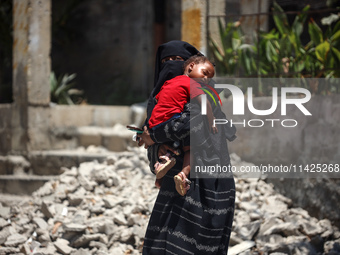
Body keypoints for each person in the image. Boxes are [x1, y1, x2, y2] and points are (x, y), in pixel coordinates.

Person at [139, 40, 236, 255]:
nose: (172, 65)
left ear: (189, 66)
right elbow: (155, 134)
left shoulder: (204, 94)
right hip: (176, 187)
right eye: (166, 61)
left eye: (178, 60)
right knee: (160, 245)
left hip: (208, 187)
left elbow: (192, 121)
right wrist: (155, 144)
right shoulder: (163, 98)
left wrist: (152, 136)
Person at [143, 55, 218, 196]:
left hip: (155, 126)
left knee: (171, 143)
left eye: (209, 78)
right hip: (173, 122)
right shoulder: (192, 83)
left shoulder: (168, 83)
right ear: (191, 67)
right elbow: (204, 103)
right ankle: (184, 173)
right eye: (205, 73)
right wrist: (211, 120)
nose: (206, 80)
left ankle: (162, 166)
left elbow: (158, 101)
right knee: (192, 144)